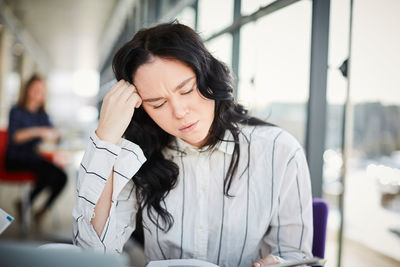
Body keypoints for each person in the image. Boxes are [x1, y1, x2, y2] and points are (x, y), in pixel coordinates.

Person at [73, 22, 313, 267]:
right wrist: (106, 137)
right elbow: (94, 254)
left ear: (209, 79)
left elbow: (298, 257)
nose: (179, 112)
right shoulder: (138, 155)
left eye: (186, 90)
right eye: (157, 104)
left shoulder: (280, 151)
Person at [5, 74, 67, 224]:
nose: (40, 93)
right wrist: (38, 131)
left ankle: (41, 210)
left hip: (35, 159)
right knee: (49, 174)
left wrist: (57, 139)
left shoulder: (42, 115)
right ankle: (25, 204)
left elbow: (52, 135)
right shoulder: (16, 110)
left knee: (62, 177)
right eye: (36, 89)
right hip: (15, 159)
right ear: (28, 90)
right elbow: (15, 137)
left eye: (42, 90)